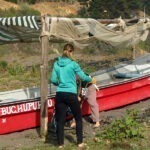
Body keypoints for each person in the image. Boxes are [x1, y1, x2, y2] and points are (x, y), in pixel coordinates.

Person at [50, 43, 95, 149]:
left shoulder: (56, 64)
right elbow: (83, 77)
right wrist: (91, 79)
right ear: (71, 52)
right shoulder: (73, 63)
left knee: (60, 120)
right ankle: (80, 143)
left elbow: (52, 80)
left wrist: (60, 84)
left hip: (60, 94)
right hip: (71, 94)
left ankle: (60, 144)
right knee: (78, 118)